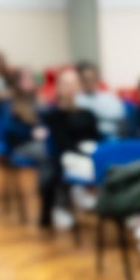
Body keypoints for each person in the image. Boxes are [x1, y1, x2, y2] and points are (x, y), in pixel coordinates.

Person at [37, 69, 99, 230]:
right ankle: (61, 205)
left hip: (87, 154)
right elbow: (60, 144)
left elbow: (96, 138)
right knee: (51, 168)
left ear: (79, 86)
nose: (70, 88)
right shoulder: (51, 115)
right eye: (65, 84)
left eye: (73, 84)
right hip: (62, 157)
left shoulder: (88, 113)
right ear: (58, 87)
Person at [74, 62, 128, 139]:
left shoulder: (109, 97)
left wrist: (92, 114)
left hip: (110, 135)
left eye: (92, 78)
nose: (89, 82)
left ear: (97, 79)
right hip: (86, 136)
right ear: (80, 80)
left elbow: (119, 114)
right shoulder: (76, 99)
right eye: (85, 79)